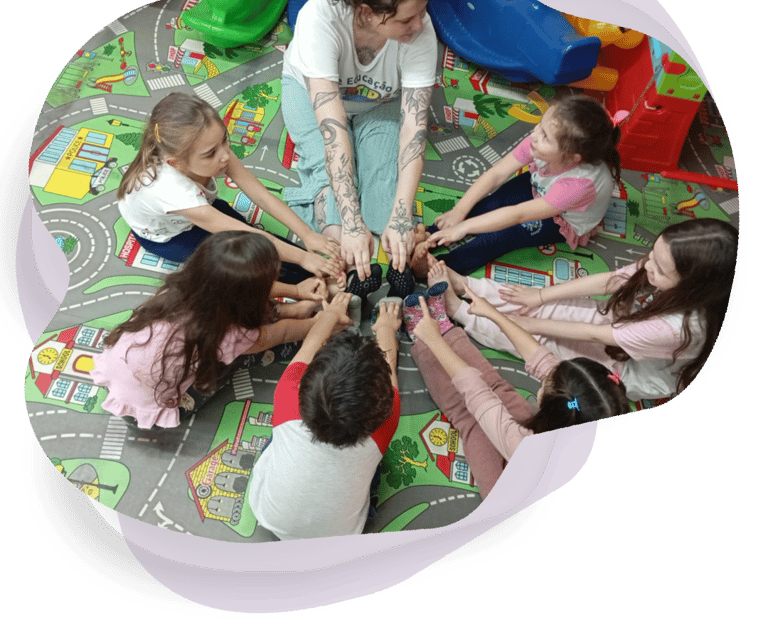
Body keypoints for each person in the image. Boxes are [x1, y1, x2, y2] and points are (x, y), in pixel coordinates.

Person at [433, 217, 739, 401]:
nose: (647, 265)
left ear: (691, 286)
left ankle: (458, 309)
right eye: (651, 255)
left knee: (536, 341)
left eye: (659, 268)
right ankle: (465, 285)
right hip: (621, 325)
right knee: (541, 306)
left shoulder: (678, 328)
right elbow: (610, 281)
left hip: (627, 371)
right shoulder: (662, 266)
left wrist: (519, 324)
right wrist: (540, 296)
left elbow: (594, 335)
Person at [281, 0, 439, 283]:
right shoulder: (319, 19)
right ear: (366, 13)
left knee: (384, 188)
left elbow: (414, 129)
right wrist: (351, 226)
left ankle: (387, 257)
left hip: (379, 102)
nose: (419, 25)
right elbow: (334, 132)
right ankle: (348, 272)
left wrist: (400, 217)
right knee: (329, 189)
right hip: (312, 98)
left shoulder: (420, 31)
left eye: (422, 12)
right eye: (406, 19)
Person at [91, 232, 334, 429]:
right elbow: (280, 334)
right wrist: (321, 324)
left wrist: (297, 293)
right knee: (248, 353)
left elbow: (243, 289)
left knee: (246, 329)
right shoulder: (227, 336)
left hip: (119, 377)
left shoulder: (180, 287)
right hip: (152, 410)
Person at [408, 289, 630, 498]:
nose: (546, 375)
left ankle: (424, 340)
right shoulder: (585, 414)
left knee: (471, 418)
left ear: (552, 413)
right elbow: (544, 361)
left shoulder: (529, 452)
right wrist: (493, 314)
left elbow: (476, 393)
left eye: (546, 383)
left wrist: (433, 341)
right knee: (500, 392)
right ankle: (446, 331)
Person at [117, 92, 342, 285]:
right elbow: (249, 238)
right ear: (176, 163)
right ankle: (315, 281)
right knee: (243, 259)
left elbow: (261, 195)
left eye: (224, 140)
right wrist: (304, 258)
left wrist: (307, 234)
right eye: (211, 154)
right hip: (170, 237)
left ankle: (320, 274)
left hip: (198, 207)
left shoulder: (210, 148)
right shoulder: (173, 190)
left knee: (254, 238)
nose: (225, 155)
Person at [248, 295, 401, 540]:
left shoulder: (286, 397)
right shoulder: (389, 419)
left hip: (271, 518)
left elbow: (309, 346)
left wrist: (330, 314)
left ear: (305, 387)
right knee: (373, 471)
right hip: (339, 536)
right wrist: (385, 329)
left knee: (279, 439)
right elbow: (390, 370)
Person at [415, 94, 622, 276]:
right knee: (492, 202)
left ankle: (436, 267)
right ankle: (430, 235)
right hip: (541, 187)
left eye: (545, 136)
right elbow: (496, 174)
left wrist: (463, 228)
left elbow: (518, 215)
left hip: (563, 218)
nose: (534, 134)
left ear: (572, 156)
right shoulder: (540, 144)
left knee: (502, 236)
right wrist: (458, 212)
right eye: (540, 125)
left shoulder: (579, 185)